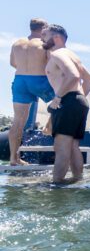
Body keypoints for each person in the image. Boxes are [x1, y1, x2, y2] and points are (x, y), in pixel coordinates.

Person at [42, 25, 90, 184]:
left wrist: (58, 98)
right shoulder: (73, 55)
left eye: (45, 35)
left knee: (61, 146)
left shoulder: (57, 54)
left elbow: (73, 75)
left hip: (68, 100)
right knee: (73, 147)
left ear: (56, 38)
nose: (42, 39)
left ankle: (56, 185)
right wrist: (77, 98)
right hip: (79, 100)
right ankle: (77, 180)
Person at [8, 18, 55, 165]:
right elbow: (52, 63)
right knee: (63, 100)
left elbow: (12, 63)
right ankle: (49, 127)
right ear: (43, 29)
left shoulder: (17, 43)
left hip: (20, 80)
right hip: (39, 79)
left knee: (18, 121)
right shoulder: (45, 44)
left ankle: (13, 158)